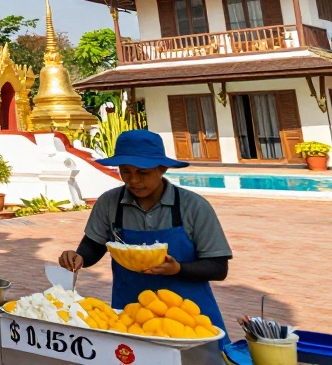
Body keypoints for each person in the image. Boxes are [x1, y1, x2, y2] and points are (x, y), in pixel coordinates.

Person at [58, 129, 231, 341]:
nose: (133, 180)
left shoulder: (194, 206)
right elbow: (93, 246)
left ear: (162, 169)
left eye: (143, 172)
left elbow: (218, 267)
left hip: (190, 320)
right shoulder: (109, 203)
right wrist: (79, 257)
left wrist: (178, 269)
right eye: (126, 171)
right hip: (130, 316)